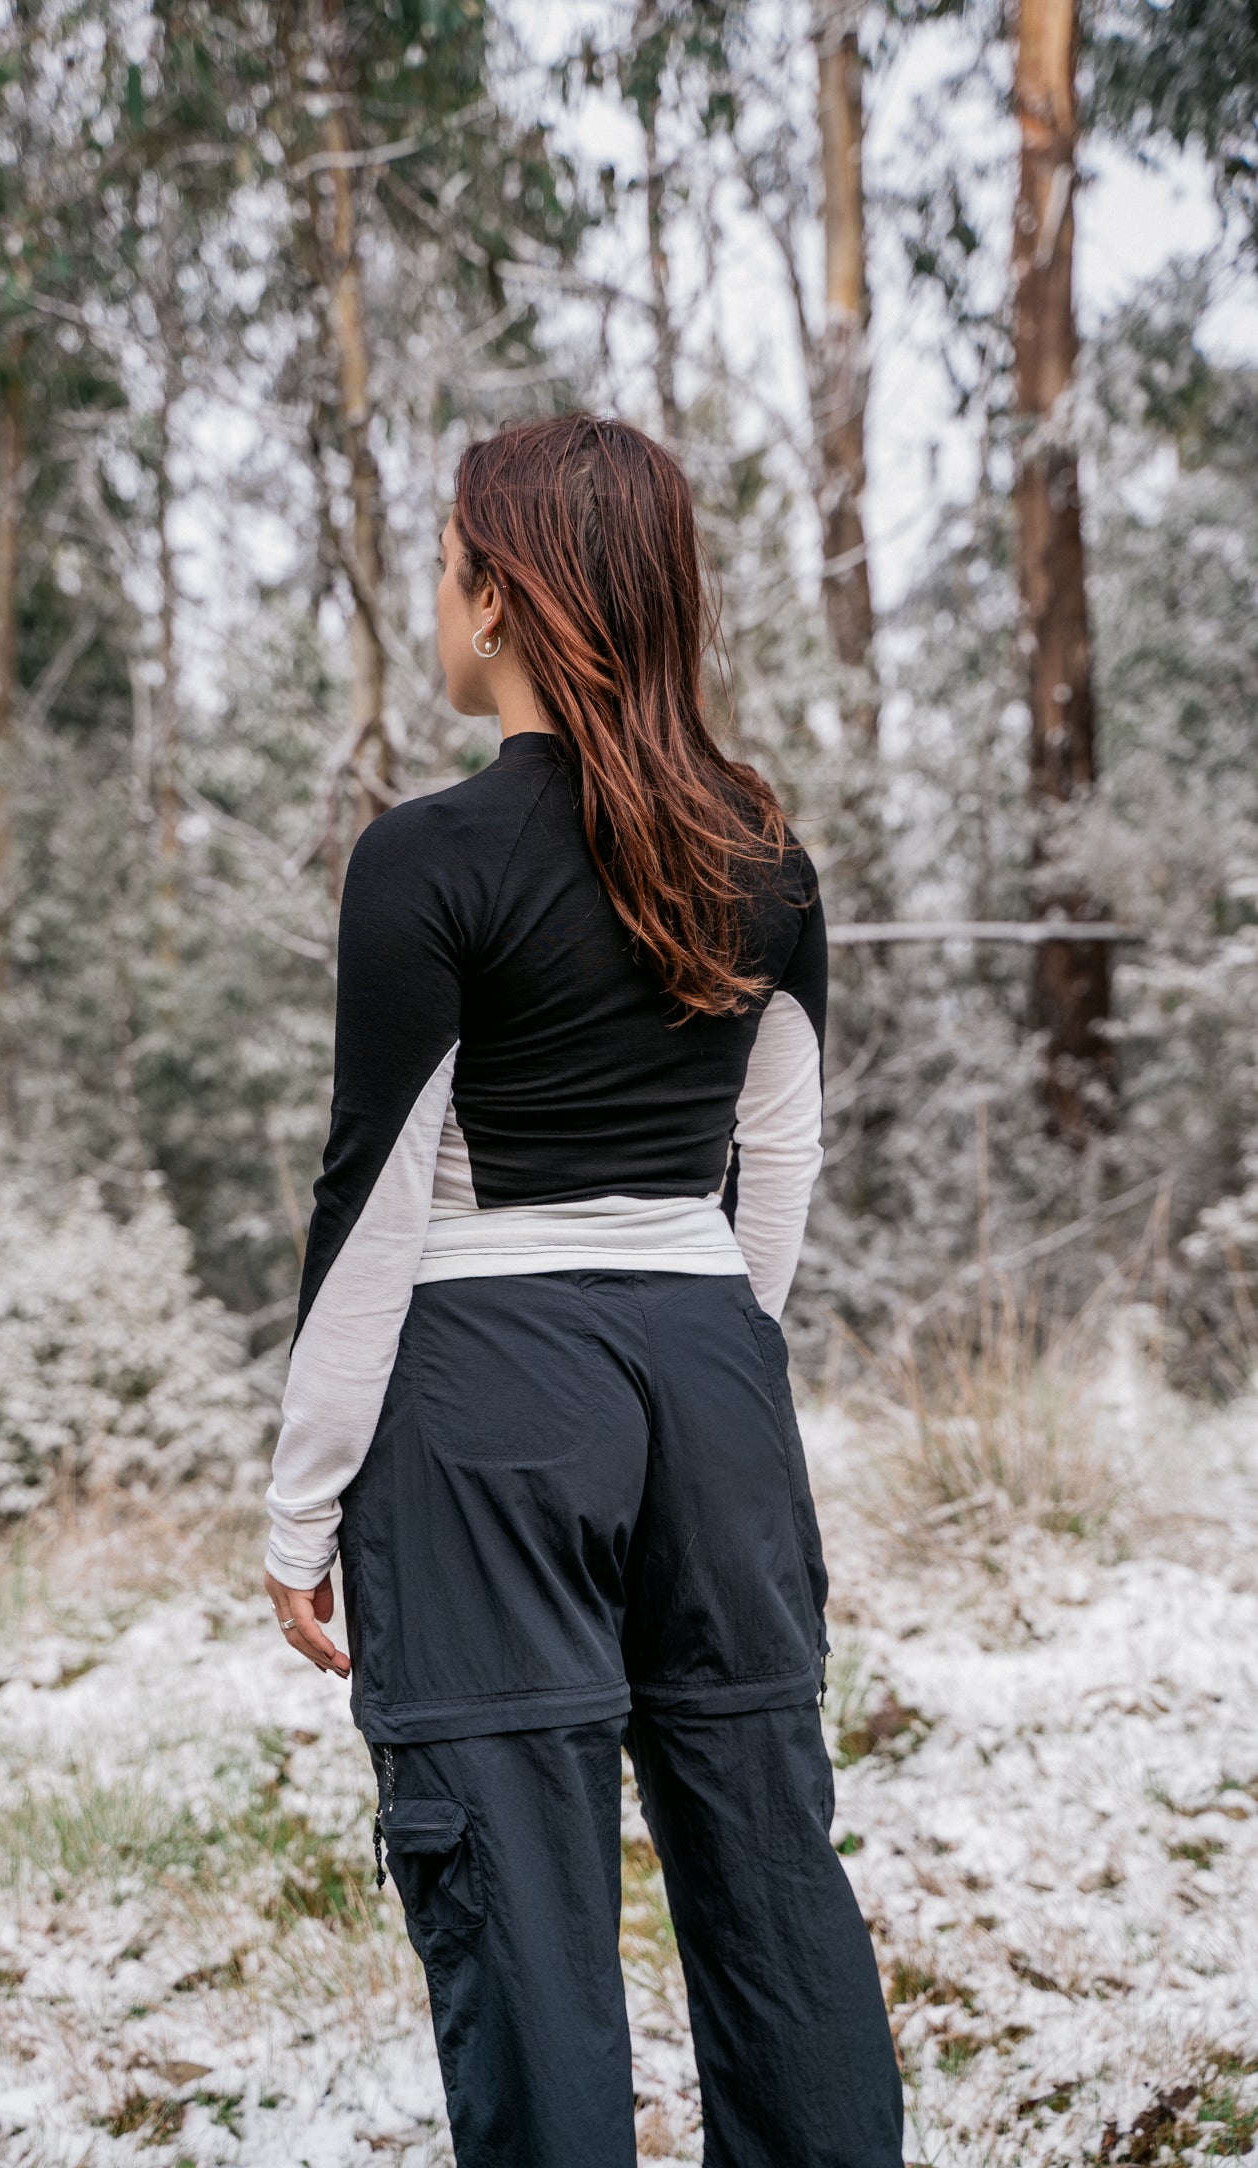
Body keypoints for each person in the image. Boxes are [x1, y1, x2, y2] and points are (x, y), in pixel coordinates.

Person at [262, 413, 903, 2168]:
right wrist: (699, 1348)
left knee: (523, 1910)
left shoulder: (426, 856)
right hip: (708, 1373)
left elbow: (376, 1195)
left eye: (452, 563)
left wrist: (303, 1498)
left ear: (508, 596)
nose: (439, 597)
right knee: (769, 1866)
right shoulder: (757, 849)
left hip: (485, 1389)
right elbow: (776, 1163)